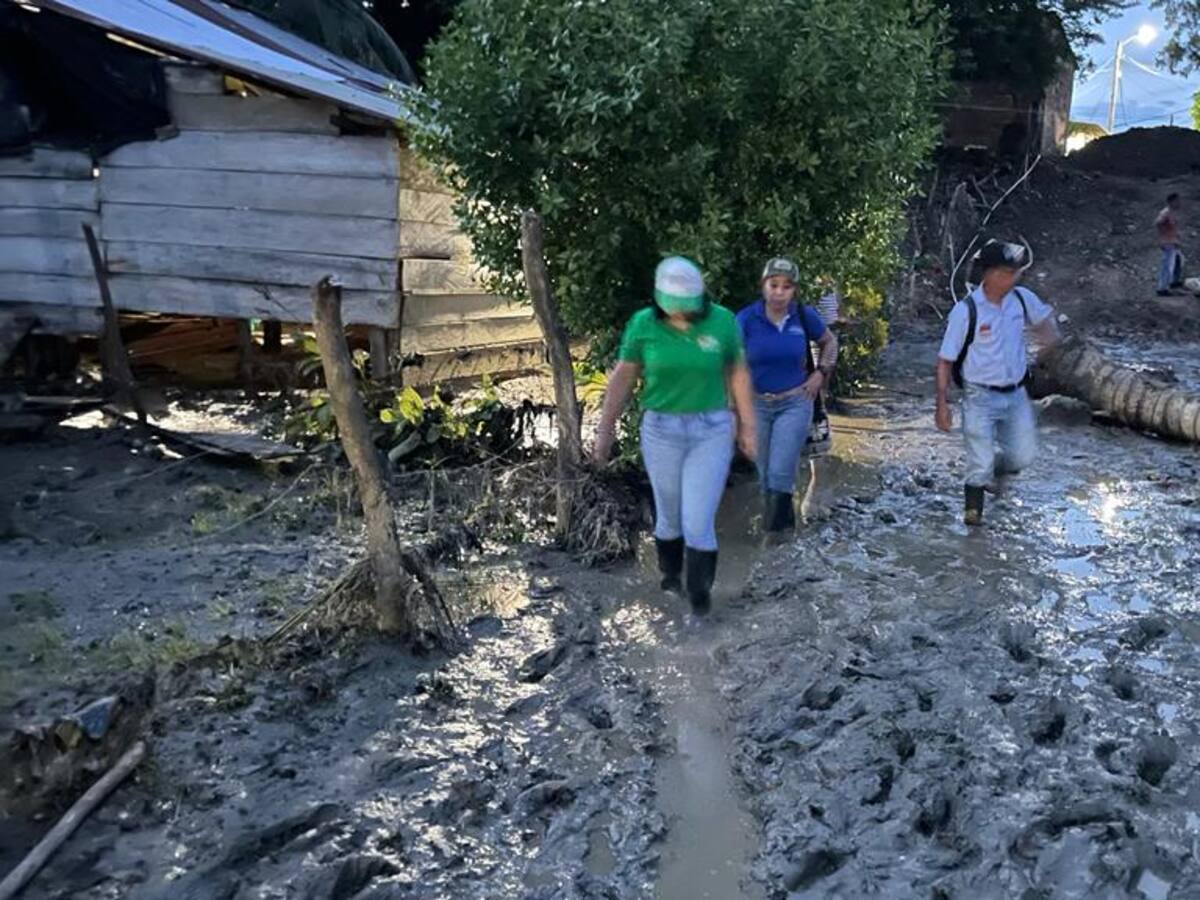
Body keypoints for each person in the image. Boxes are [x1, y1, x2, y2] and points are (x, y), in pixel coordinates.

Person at [592, 257, 756, 614]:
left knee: (698, 520)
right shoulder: (643, 324)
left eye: (688, 307)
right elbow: (623, 376)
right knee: (668, 513)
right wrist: (605, 430)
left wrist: (747, 425)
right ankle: (670, 581)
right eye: (673, 307)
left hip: (711, 429)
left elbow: (737, 372)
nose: (681, 315)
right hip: (661, 430)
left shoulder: (723, 321)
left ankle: (699, 605)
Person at [935, 240, 1060, 526]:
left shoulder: (1022, 299)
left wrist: (1048, 343)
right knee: (979, 461)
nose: (1012, 278)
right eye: (1006, 272)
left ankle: (998, 470)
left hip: (1016, 394)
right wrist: (942, 404)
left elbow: (1045, 322)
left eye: (1014, 273)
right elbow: (945, 361)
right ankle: (973, 519)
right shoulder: (966, 311)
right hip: (979, 395)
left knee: (1022, 456)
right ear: (988, 274)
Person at [736, 258, 838, 534]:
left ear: (794, 290)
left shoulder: (803, 316)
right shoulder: (746, 319)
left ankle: (773, 540)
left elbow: (829, 342)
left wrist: (820, 373)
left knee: (781, 471)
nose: (779, 292)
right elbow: (732, 364)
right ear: (763, 286)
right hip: (757, 404)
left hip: (796, 401)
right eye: (774, 285)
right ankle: (783, 533)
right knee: (765, 474)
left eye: (786, 286)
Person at [1155, 193, 1183, 297]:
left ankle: (1173, 281)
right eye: (1177, 201)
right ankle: (1162, 288)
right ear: (1171, 201)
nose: (1179, 203)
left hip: (1173, 241)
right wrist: (1163, 237)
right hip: (1168, 242)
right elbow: (1158, 223)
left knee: (1178, 260)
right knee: (1167, 265)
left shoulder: (1172, 212)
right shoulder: (1166, 212)